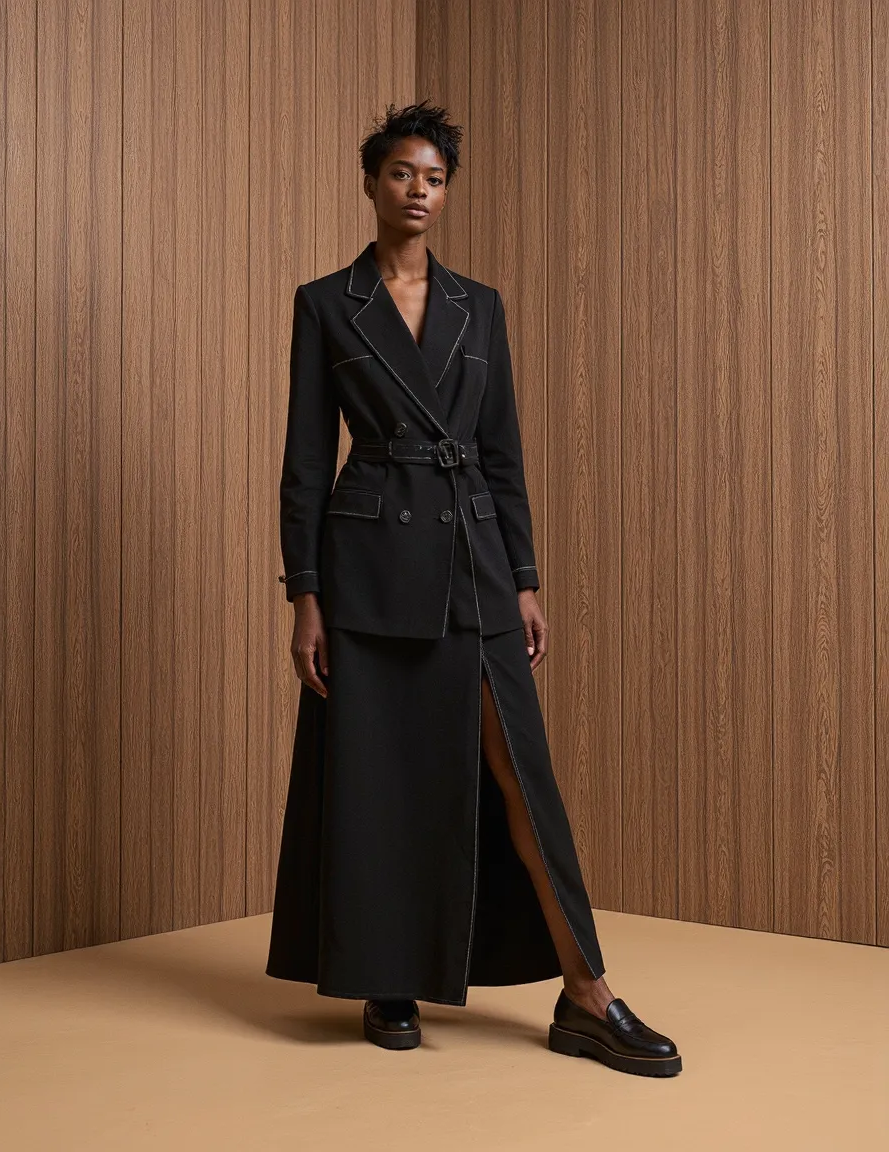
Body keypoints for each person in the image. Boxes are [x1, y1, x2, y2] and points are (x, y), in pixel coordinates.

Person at [266, 100, 681, 1077]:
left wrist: (524, 579)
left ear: (446, 192)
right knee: (382, 783)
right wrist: (305, 597)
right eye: (402, 173)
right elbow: (300, 462)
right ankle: (387, 981)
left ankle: (586, 994)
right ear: (369, 183)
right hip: (368, 571)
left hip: (473, 561)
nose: (418, 191)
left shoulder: (478, 306)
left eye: (434, 177)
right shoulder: (326, 303)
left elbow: (502, 455)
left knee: (518, 777)